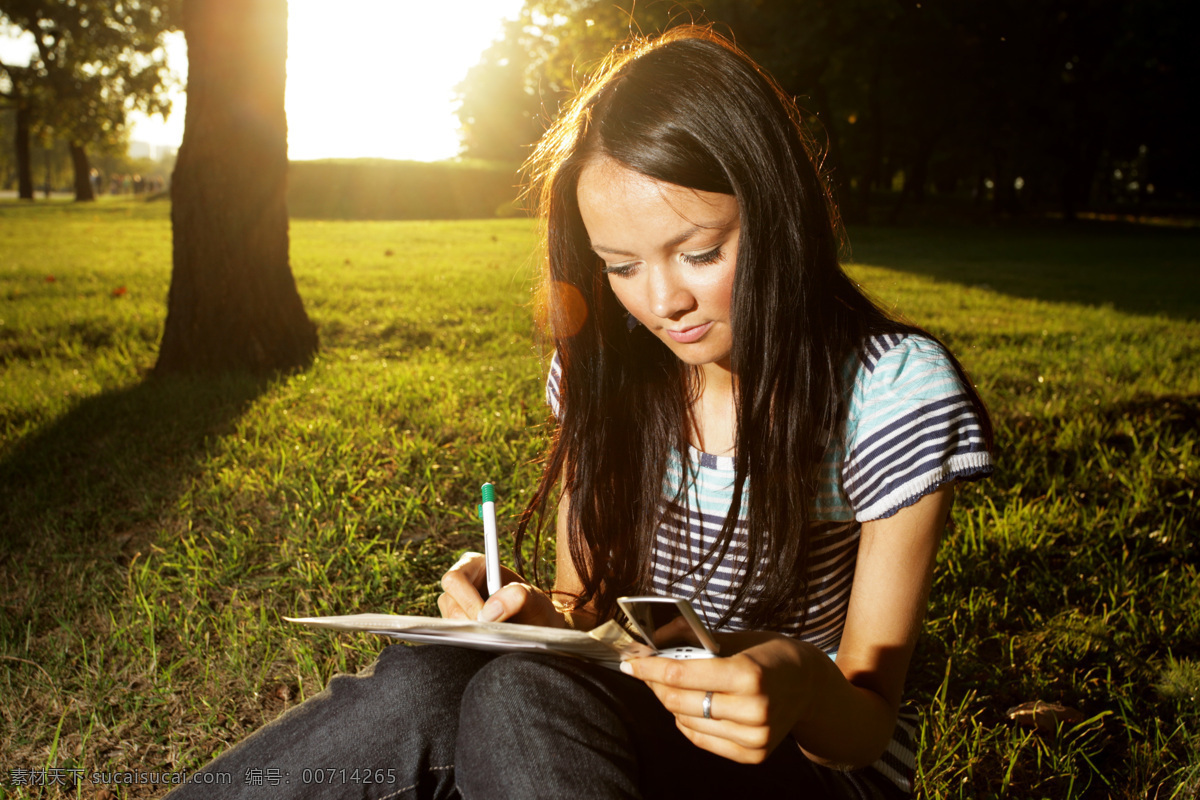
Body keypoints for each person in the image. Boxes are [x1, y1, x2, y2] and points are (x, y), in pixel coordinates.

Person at [166, 26, 991, 800]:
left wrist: (801, 682)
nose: (665, 302)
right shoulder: (605, 371)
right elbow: (583, 611)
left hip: (807, 767)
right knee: (430, 678)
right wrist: (527, 613)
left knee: (522, 699)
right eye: (621, 267)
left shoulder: (890, 389)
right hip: (621, 717)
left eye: (701, 253)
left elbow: (865, 722)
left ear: (779, 211)